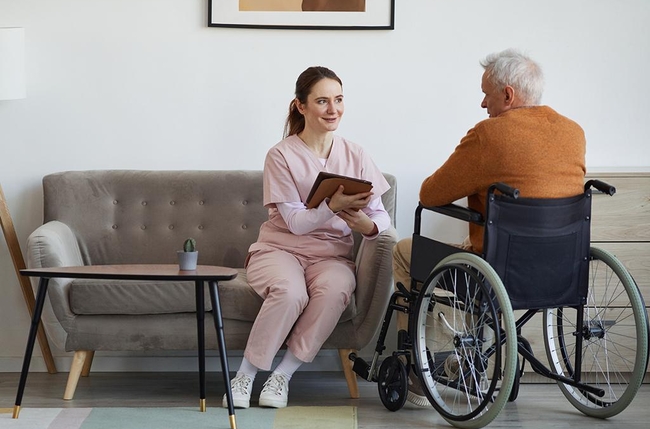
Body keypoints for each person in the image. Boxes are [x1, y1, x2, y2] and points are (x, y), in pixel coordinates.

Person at [393, 48, 586, 406]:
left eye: (487, 94)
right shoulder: (574, 133)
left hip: (496, 272)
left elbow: (431, 193)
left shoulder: (490, 135)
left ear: (508, 95)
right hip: (563, 272)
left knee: (405, 251)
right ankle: (461, 354)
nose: (483, 104)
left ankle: (422, 369)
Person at [223, 66, 391, 409]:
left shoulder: (356, 154)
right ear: (301, 106)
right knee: (289, 292)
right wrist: (334, 205)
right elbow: (297, 223)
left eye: (339, 100)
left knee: (336, 291)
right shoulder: (281, 155)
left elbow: (381, 215)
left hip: (331, 256)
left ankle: (282, 375)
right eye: (323, 101)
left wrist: (366, 227)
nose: (334, 109)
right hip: (280, 249)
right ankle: (244, 376)